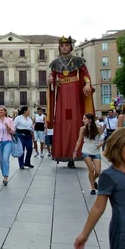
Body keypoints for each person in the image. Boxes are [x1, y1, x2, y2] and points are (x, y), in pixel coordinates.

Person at [46, 36, 95, 168]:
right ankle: (63, 152)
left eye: (67, 45)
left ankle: (76, 153)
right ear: (60, 48)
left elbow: (86, 75)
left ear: (71, 47)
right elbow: (52, 77)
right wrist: (50, 81)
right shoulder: (55, 63)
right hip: (62, 94)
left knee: (75, 122)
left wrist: (88, 84)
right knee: (63, 121)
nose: (64, 47)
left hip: (74, 93)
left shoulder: (78, 61)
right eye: (62, 46)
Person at [73, 113, 103, 195]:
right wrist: (75, 151)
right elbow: (79, 141)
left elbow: (102, 137)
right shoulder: (82, 129)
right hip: (86, 151)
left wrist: (101, 143)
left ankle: (92, 180)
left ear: (90, 120)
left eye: (84, 119)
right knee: (91, 170)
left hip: (96, 150)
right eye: (83, 118)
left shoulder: (98, 127)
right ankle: (93, 188)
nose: (83, 120)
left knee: (98, 171)